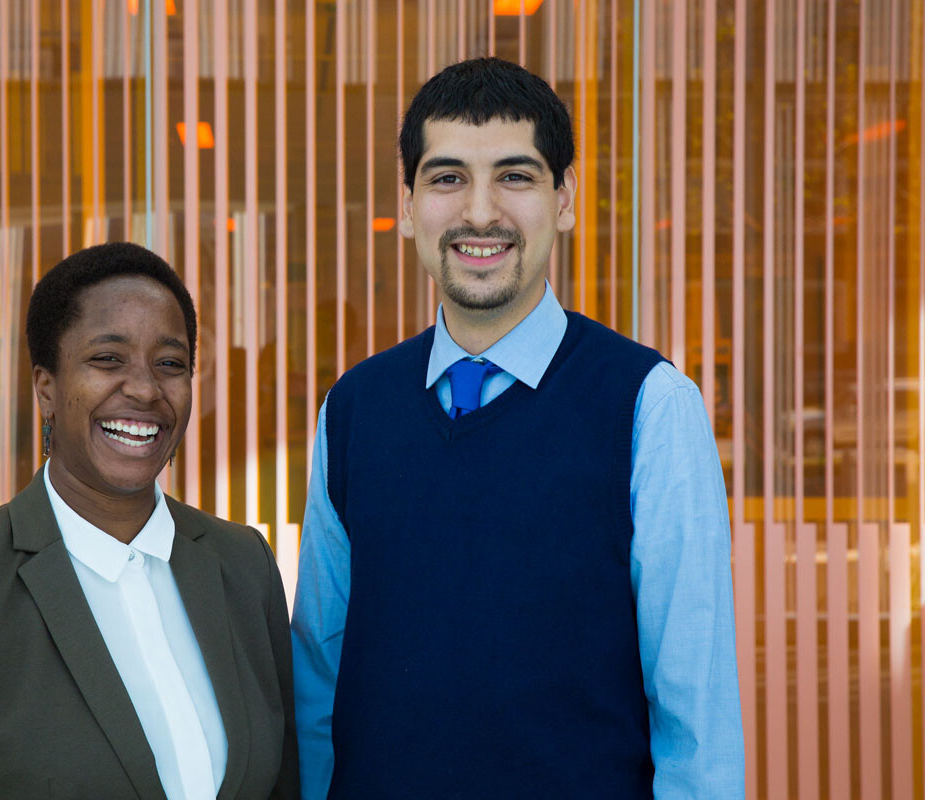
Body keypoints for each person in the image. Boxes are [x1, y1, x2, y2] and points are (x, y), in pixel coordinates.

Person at [291, 57, 743, 799]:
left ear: (562, 198)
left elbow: (696, 717)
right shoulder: (352, 409)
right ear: (406, 206)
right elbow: (319, 682)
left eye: (515, 175)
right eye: (446, 178)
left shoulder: (648, 405)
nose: (478, 213)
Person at [0, 242, 299, 799]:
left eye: (169, 363)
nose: (144, 389)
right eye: (107, 359)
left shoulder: (243, 565)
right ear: (46, 387)